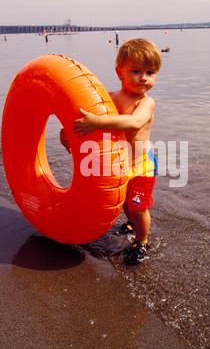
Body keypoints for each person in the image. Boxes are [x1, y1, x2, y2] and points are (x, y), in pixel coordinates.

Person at [63, 38, 162, 264]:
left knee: (137, 207)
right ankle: (131, 223)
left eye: (151, 72)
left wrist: (97, 122)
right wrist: (67, 133)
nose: (144, 77)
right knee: (125, 203)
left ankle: (142, 240)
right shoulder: (110, 98)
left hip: (141, 165)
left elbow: (134, 123)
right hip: (119, 164)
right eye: (136, 71)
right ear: (120, 72)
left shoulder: (146, 103)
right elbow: (80, 115)